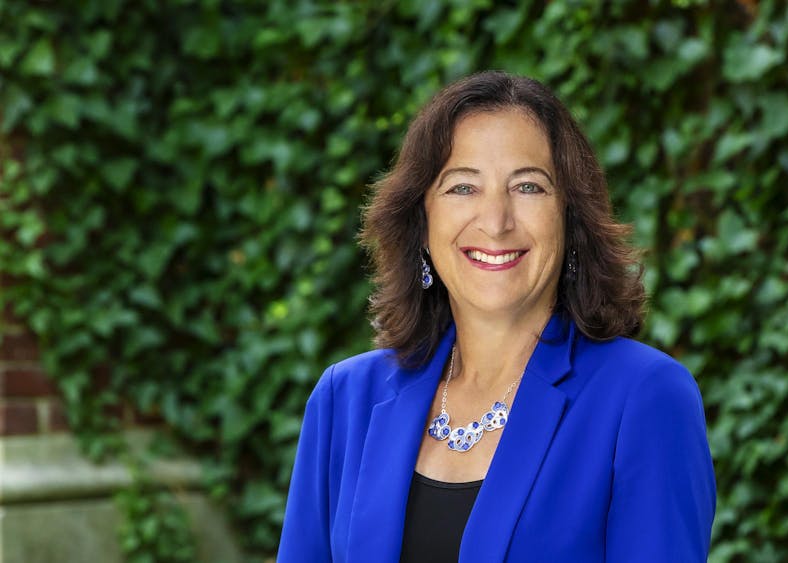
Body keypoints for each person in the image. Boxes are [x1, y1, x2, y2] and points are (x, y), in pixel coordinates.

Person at [277, 71, 716, 562]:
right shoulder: (345, 399)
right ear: (422, 223)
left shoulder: (644, 396)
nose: (495, 221)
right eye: (462, 187)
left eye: (528, 187)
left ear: (570, 219)